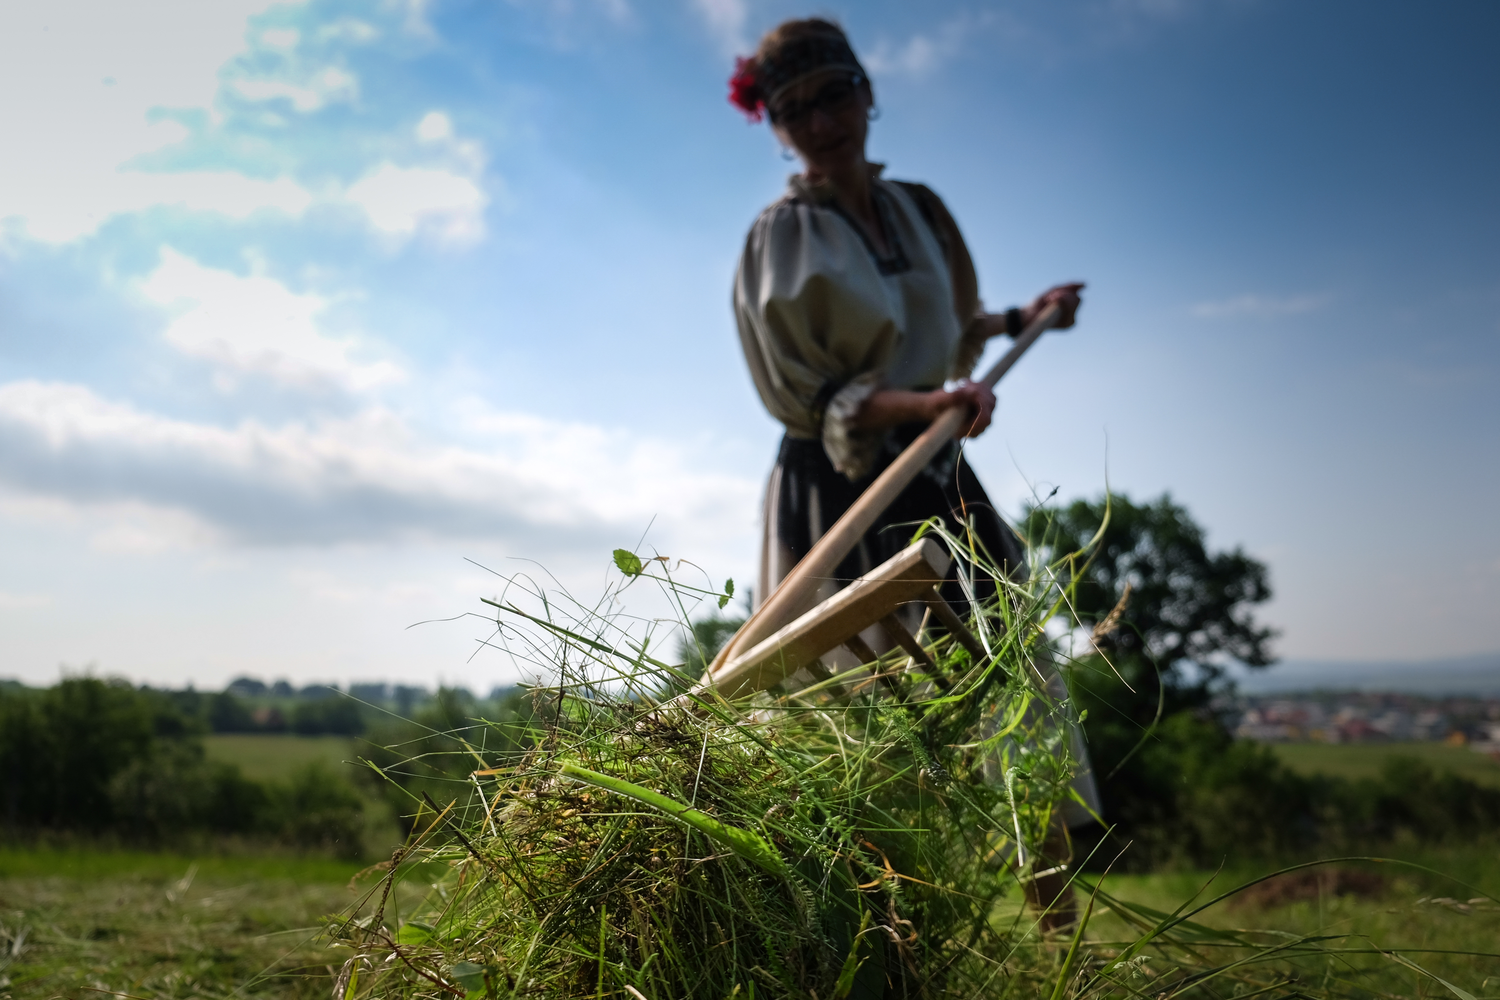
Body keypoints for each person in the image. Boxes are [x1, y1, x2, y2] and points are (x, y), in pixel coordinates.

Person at [728, 17, 1094, 929]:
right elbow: (808, 395)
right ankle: (875, 941)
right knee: (853, 714)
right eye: (795, 109)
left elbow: (952, 325)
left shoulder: (920, 209)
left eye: (833, 95)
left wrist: (1022, 318)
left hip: (936, 472)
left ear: (866, 92)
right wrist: (924, 404)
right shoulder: (782, 237)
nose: (821, 122)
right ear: (775, 126)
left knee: (1012, 680)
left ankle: (1060, 943)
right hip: (836, 486)